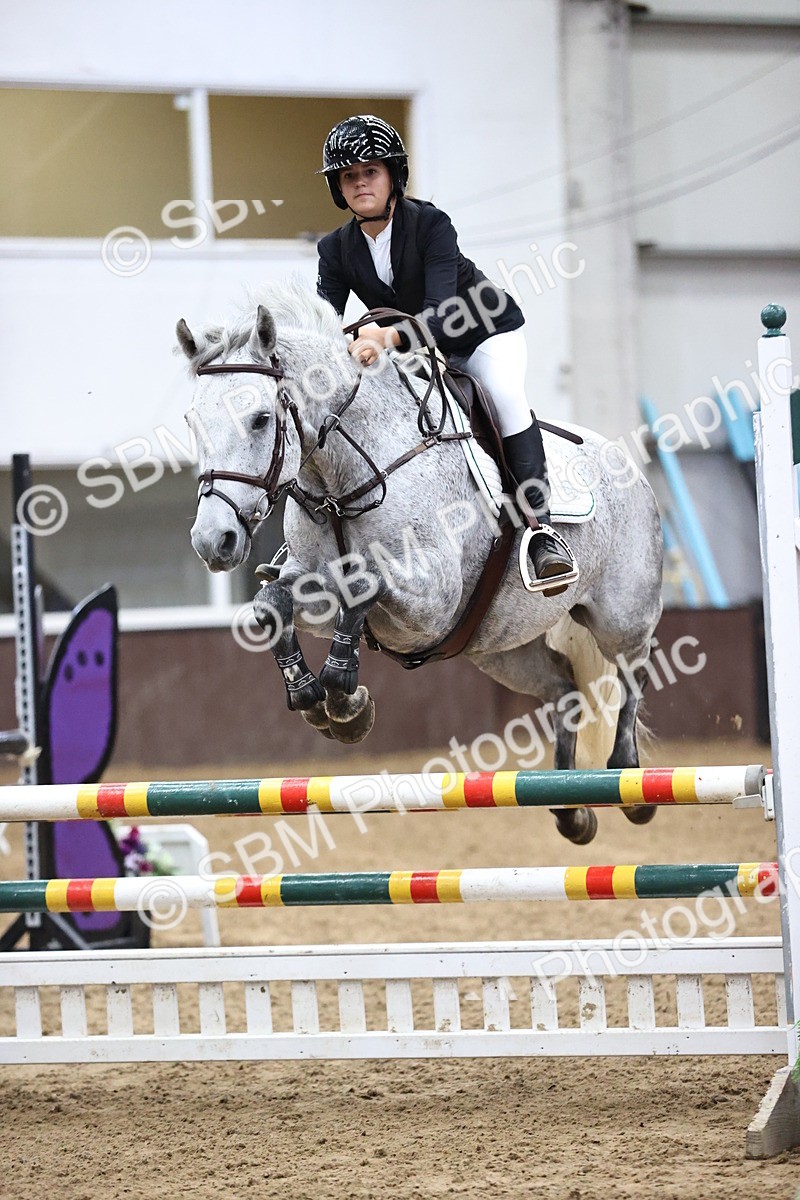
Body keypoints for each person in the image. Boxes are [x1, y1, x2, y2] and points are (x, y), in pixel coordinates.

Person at [315, 114, 574, 594]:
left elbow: (438, 314)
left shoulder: (430, 223)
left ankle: (541, 530)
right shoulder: (334, 249)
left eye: (370, 171)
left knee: (502, 395)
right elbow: (323, 321)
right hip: (416, 350)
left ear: (393, 175)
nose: (359, 183)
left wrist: (381, 338)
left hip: (482, 333)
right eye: (348, 176)